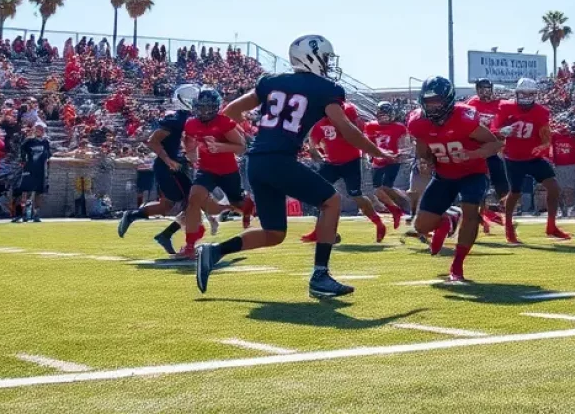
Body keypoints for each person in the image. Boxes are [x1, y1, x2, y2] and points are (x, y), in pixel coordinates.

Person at [196, 35, 395, 299]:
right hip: (279, 160)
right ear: (312, 57)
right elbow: (346, 129)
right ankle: (320, 275)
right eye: (325, 58)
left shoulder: (272, 82)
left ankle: (214, 252)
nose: (328, 63)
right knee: (331, 201)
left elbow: (230, 112)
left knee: (274, 233)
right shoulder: (326, 88)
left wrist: (259, 135)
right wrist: (377, 151)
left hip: (257, 162)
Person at [407, 76, 503, 282]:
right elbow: (423, 149)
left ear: (449, 100)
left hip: (472, 172)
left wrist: (472, 155)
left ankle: (457, 265)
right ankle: (447, 220)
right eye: (428, 101)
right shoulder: (418, 122)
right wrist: (425, 161)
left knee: (471, 211)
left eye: (437, 101)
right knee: (421, 227)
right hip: (444, 175)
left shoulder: (464, 117)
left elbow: (494, 144)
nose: (432, 106)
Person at [118, 84, 201, 255]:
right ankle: (168, 236)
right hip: (169, 167)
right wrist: (168, 160)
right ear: (186, 101)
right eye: (195, 101)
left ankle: (133, 216)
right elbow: (153, 141)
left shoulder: (184, 119)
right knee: (193, 203)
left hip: (174, 166)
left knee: (167, 206)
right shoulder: (176, 120)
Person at [492, 78, 570, 243]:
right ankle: (508, 229)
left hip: (534, 157)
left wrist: (542, 147)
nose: (526, 97)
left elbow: (546, 137)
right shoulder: (506, 107)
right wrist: (501, 131)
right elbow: (493, 130)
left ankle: (551, 226)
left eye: (530, 93)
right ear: (517, 93)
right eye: (524, 93)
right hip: (513, 157)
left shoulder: (540, 111)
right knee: (515, 193)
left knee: (553, 188)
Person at [181, 89, 252, 258]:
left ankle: (248, 207)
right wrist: (189, 152)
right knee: (193, 200)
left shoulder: (224, 122)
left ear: (215, 107)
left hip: (228, 170)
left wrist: (220, 147)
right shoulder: (191, 123)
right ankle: (190, 245)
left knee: (238, 204)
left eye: (208, 107)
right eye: (201, 107)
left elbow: (242, 147)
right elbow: (189, 144)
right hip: (206, 169)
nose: (204, 111)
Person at [305, 101, 388, 243]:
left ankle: (378, 223)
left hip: (351, 160)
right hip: (331, 162)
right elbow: (313, 137)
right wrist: (313, 149)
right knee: (318, 193)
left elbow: (357, 132)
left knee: (356, 196)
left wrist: (340, 128)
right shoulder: (319, 117)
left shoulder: (348, 110)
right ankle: (320, 230)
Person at [464, 78, 509, 228]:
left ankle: (505, 211)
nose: (484, 91)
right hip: (477, 148)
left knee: (500, 181)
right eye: (481, 88)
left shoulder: (500, 105)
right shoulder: (471, 104)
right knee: (478, 182)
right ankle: (483, 213)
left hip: (494, 147)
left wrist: (504, 132)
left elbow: (508, 123)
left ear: (491, 88)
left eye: (487, 88)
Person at [363, 102, 412, 228]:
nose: (383, 118)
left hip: (393, 160)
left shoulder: (399, 127)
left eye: (386, 115)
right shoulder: (370, 126)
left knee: (386, 187)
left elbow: (405, 145)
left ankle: (401, 205)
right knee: (377, 189)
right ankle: (397, 206)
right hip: (378, 160)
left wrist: (400, 155)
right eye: (381, 115)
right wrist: (369, 155)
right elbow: (368, 143)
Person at [15, 123, 52, 222]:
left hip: (40, 170)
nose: (39, 130)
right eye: (37, 129)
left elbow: (48, 154)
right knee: (25, 191)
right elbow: (21, 151)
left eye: (41, 129)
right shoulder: (29, 141)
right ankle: (21, 214)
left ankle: (36, 214)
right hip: (29, 169)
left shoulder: (46, 142)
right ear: (34, 130)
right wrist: (22, 160)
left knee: (38, 193)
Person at [549, 118, 575, 216]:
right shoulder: (554, 135)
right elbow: (546, 137)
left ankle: (570, 207)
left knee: (570, 188)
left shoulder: (574, 136)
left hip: (571, 164)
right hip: (557, 164)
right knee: (558, 188)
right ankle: (561, 209)